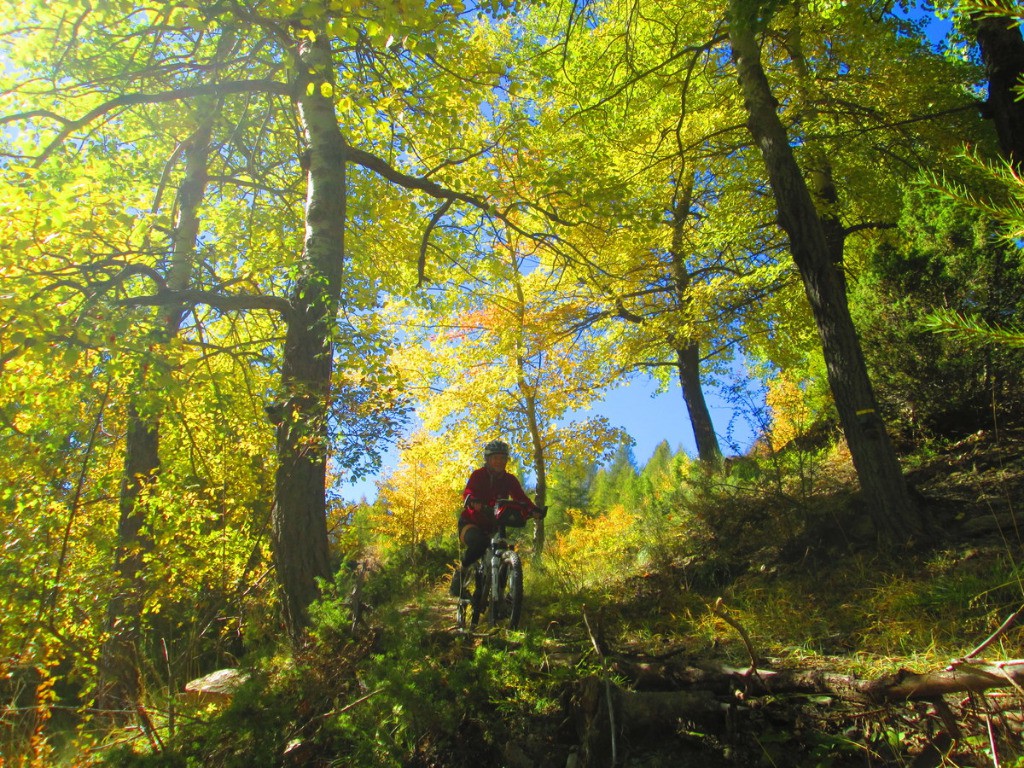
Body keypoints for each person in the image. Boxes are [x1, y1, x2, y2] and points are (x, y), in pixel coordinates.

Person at [450, 439, 542, 597]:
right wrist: (472, 500)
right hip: (471, 522)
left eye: (502, 458)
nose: (499, 461)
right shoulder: (478, 475)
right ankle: (460, 574)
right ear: (488, 459)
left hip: (495, 526)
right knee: (479, 543)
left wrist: (533, 510)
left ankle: (499, 599)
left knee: (504, 551)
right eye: (495, 458)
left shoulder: (509, 480)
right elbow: (468, 491)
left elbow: (521, 499)